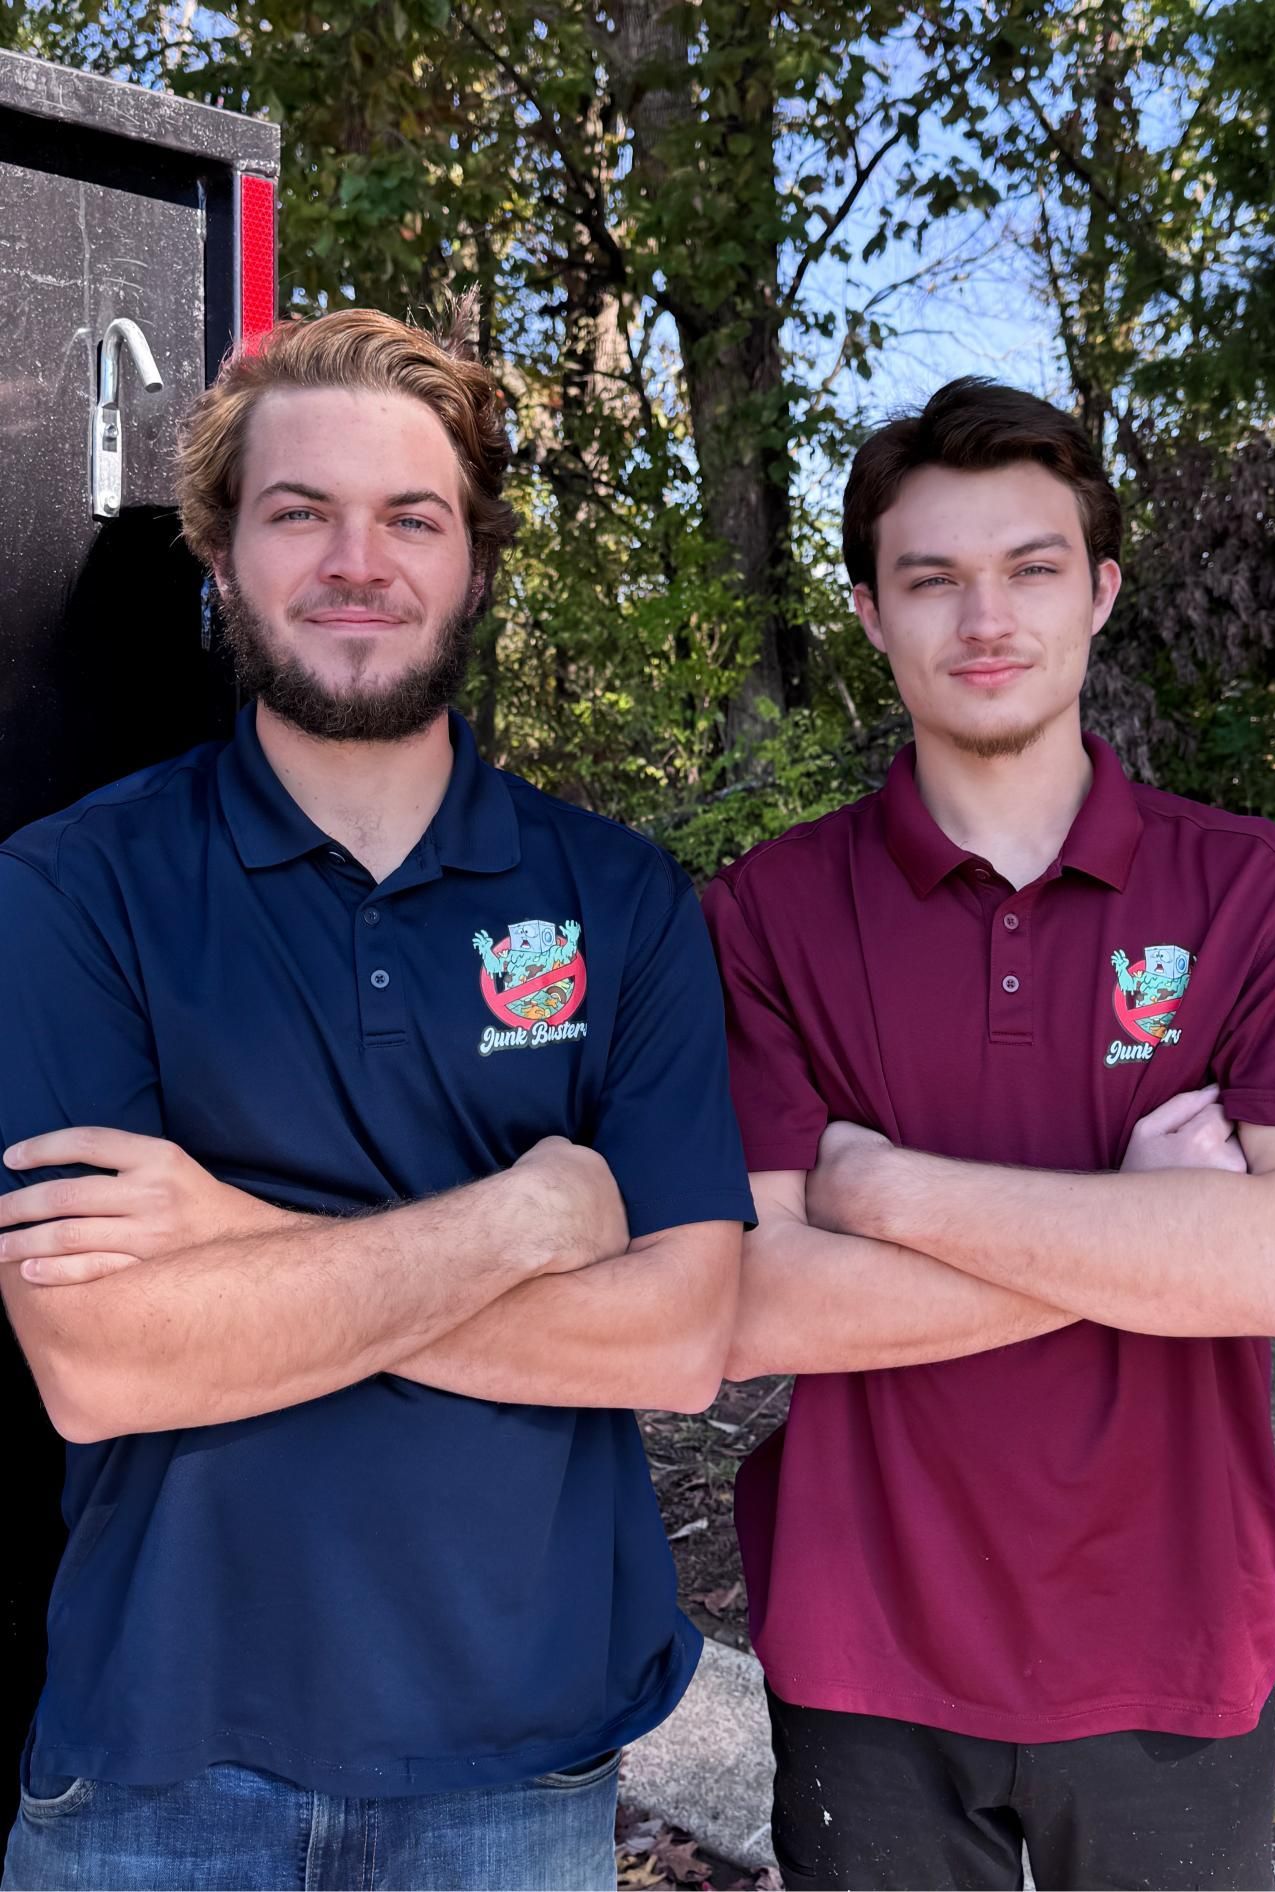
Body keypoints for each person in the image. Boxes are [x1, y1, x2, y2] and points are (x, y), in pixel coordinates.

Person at [0, 307, 751, 1892]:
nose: (360, 560)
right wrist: (533, 1216)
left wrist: (234, 1244)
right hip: (158, 1759)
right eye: (300, 513)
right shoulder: (75, 889)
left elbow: (680, 1339)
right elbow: (100, 1358)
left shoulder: (619, 901)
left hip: (519, 1770)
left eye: (412, 516)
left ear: (474, 557)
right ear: (220, 552)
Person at [703, 377, 1275, 1891]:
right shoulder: (767, 916)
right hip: (867, 1652)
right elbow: (743, 1306)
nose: (982, 616)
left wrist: (883, 1185)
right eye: (931, 578)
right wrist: (1145, 1229)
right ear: (869, 611)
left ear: (1103, 590)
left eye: (1031, 567)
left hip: (1172, 1639)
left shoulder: (1263, 898)